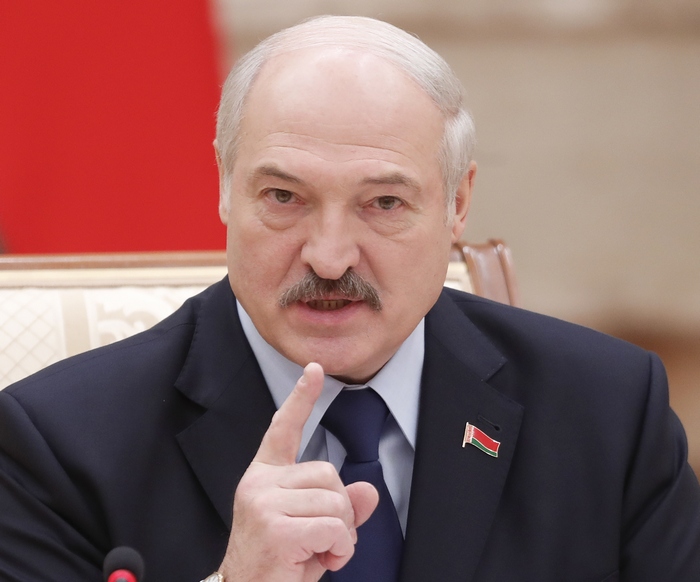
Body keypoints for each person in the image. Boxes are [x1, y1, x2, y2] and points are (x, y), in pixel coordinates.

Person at [0, 15, 699, 582]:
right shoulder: (55, 446)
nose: (329, 257)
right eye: (284, 197)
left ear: (457, 204)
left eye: (383, 203)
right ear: (224, 186)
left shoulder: (608, 410)